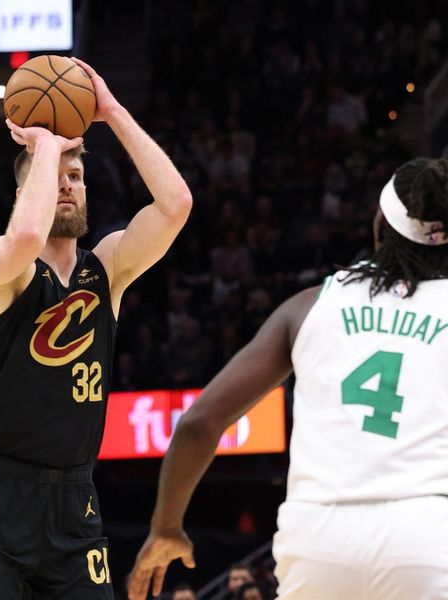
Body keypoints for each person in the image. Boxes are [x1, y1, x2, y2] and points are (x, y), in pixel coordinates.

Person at [128, 157, 448, 600]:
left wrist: (166, 526)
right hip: (426, 533)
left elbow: (200, 423)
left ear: (381, 223)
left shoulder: (311, 305)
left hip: (318, 538)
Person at [0, 57, 193, 599]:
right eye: (54, 179)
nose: (66, 186)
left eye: (76, 177)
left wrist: (110, 111)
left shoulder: (105, 268)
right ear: (23, 195)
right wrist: (48, 147)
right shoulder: (2, 266)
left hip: (74, 498)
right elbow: (29, 236)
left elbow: (176, 205)